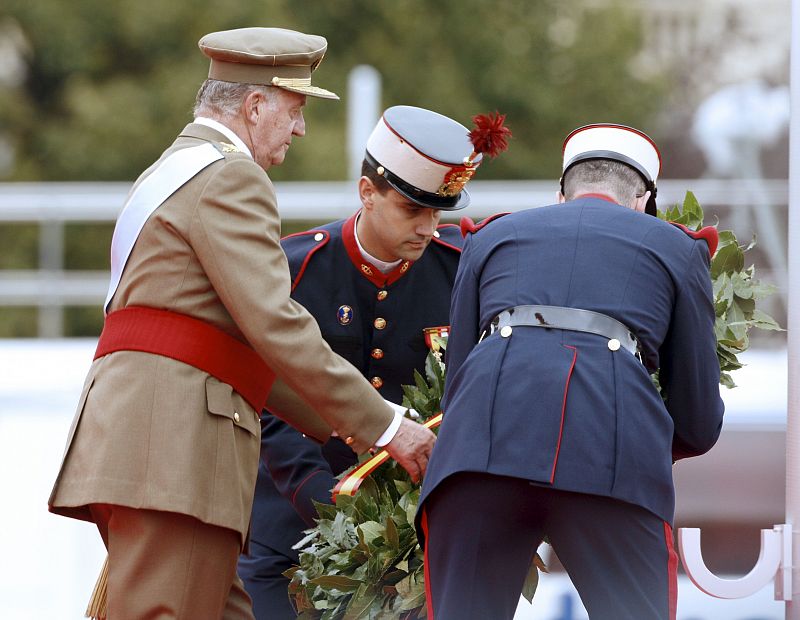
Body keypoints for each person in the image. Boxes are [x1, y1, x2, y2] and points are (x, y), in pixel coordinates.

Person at [47, 27, 435, 619]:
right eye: (295, 110)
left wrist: (350, 431)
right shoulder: (232, 177)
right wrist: (385, 428)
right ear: (255, 106)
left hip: (156, 446)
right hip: (175, 454)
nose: (300, 129)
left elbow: (224, 345)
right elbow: (276, 325)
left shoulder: (180, 169)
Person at [416, 123, 725, 620]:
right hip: (611, 457)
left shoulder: (491, 236)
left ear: (560, 194)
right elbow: (698, 421)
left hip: (480, 455)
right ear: (643, 200)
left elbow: (458, 388)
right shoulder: (679, 249)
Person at [238, 105, 494, 618]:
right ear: (367, 193)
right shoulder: (293, 269)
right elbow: (262, 398)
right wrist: (323, 498)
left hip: (408, 544)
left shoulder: (461, 273)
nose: (427, 228)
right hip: (288, 529)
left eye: (438, 213)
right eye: (412, 210)